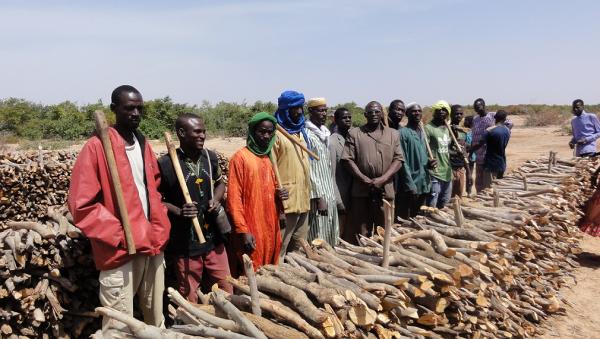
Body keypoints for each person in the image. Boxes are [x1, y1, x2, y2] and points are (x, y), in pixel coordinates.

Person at [68, 85, 170, 329]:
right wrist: (119, 234)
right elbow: (81, 204)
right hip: (120, 250)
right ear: (114, 109)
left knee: (156, 321)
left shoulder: (143, 142)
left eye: (139, 108)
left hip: (152, 245)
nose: (135, 113)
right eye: (129, 108)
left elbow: (153, 188)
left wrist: (161, 223)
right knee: (118, 326)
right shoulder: (96, 147)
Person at [158, 113, 232, 303]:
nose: (202, 136)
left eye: (204, 132)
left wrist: (216, 199)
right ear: (182, 133)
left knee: (226, 286)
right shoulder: (165, 165)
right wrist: (178, 211)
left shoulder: (210, 157)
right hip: (185, 242)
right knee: (189, 293)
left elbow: (220, 183)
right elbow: (156, 199)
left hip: (214, 237)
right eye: (197, 132)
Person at [227, 112, 288, 274]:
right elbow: (234, 199)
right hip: (251, 226)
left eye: (270, 132)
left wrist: (281, 198)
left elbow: (274, 188)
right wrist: (243, 230)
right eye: (262, 131)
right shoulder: (240, 158)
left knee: (270, 268)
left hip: (270, 224)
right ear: (253, 132)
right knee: (251, 269)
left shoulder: (269, 158)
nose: (266, 136)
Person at [342, 101, 403, 244]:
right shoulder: (355, 134)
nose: (374, 114)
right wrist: (363, 178)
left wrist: (383, 179)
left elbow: (399, 159)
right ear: (365, 115)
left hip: (385, 189)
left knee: (385, 229)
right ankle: (362, 257)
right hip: (361, 189)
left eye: (377, 112)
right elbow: (347, 160)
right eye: (370, 112)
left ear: (382, 114)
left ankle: (384, 258)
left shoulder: (393, 134)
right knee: (362, 229)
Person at [272, 90, 311, 258]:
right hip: (286, 203)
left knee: (299, 248)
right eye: (295, 108)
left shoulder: (300, 132)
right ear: (285, 110)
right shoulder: (275, 134)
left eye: (301, 107)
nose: (300, 111)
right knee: (281, 248)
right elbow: (271, 169)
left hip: (303, 199)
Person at [305, 98, 339, 245]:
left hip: (329, 191)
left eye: (325, 110)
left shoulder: (325, 133)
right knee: (317, 233)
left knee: (330, 230)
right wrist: (318, 197)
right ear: (311, 111)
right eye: (320, 110)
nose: (324, 113)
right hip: (318, 195)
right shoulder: (307, 134)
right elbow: (309, 168)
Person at [396, 103, 435, 218]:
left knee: (420, 217)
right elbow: (402, 161)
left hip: (424, 183)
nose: (417, 113)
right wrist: (410, 185)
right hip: (411, 184)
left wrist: (429, 163)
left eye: (419, 111)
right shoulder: (403, 133)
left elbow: (421, 155)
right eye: (413, 111)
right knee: (407, 219)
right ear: (407, 114)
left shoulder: (422, 132)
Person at [471, 98, 512, 193]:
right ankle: (479, 199)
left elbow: (509, 123)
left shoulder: (493, 115)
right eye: (475, 108)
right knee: (479, 182)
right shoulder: (475, 119)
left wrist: (500, 134)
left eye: (479, 107)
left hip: (489, 155)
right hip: (478, 155)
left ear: (484, 106)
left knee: (489, 183)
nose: (477, 110)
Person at [424, 100, 453, 209]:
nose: (441, 111)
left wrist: (457, 152)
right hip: (434, 173)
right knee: (432, 206)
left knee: (445, 204)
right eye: (438, 109)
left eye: (444, 110)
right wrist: (428, 159)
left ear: (448, 113)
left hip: (447, 172)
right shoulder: (428, 128)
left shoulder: (447, 128)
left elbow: (446, 148)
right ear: (434, 112)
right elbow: (423, 150)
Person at [328, 108, 353, 234]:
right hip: (341, 195)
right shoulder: (332, 142)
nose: (348, 120)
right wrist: (338, 201)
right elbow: (331, 173)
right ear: (336, 120)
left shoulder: (351, 138)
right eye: (344, 118)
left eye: (349, 117)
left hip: (353, 195)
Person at [449, 104, 472, 197]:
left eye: (460, 114)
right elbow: (443, 150)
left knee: (458, 198)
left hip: (461, 169)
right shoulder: (446, 130)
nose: (459, 116)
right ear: (451, 115)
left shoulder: (463, 132)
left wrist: (469, 173)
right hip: (449, 169)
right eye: (456, 114)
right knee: (447, 200)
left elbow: (464, 153)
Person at [463, 115, 476, 195]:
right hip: (471, 156)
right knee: (469, 173)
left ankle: (468, 190)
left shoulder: (466, 133)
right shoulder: (474, 132)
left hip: (466, 156)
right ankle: (469, 191)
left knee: (468, 174)